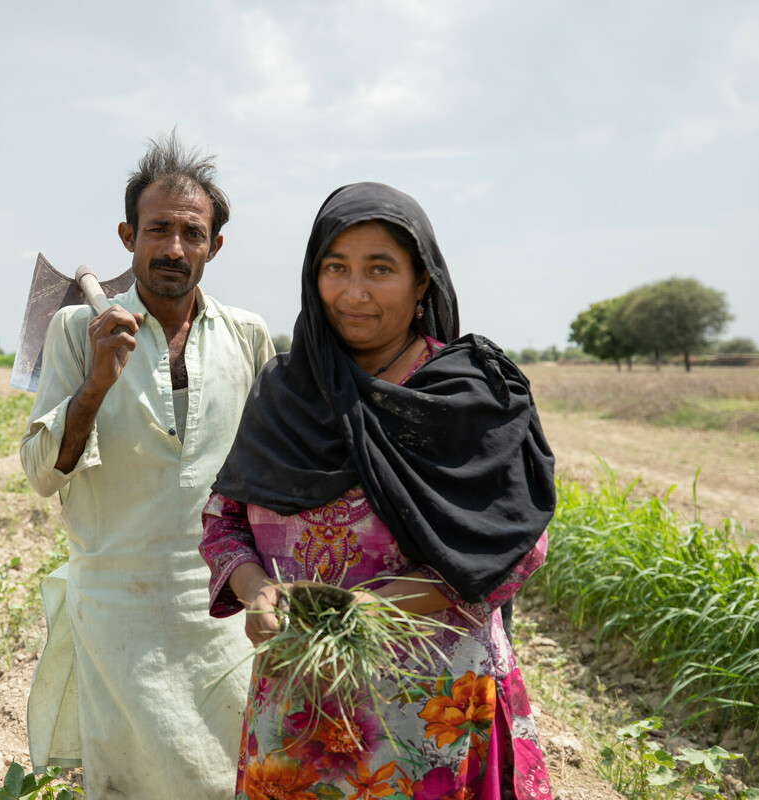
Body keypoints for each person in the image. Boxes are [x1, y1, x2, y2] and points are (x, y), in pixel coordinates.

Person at [200, 182, 557, 799]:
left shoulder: (467, 395)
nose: (353, 292)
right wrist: (256, 591)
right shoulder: (284, 392)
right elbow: (222, 520)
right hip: (299, 709)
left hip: (430, 713)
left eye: (380, 270)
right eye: (335, 268)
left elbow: (517, 547)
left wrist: (379, 606)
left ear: (423, 282)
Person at [19, 133, 274, 799]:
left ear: (214, 247)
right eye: (157, 229)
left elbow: (272, 470)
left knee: (232, 775)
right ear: (129, 236)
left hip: (223, 605)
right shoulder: (77, 331)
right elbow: (43, 472)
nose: (173, 249)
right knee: (130, 780)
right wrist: (97, 382)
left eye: (193, 233)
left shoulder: (248, 334)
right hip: (118, 610)